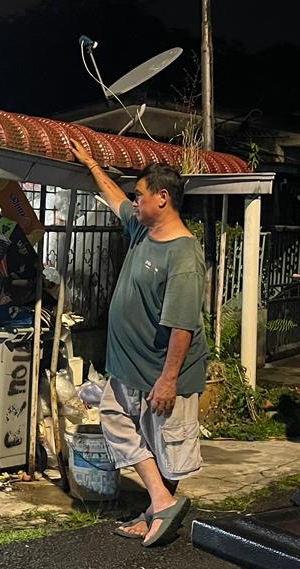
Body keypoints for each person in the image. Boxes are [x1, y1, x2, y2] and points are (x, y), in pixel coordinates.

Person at [71, 141, 208, 547]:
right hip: (129, 368)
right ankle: (162, 503)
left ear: (162, 198)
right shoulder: (140, 231)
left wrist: (168, 380)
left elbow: (182, 327)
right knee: (115, 419)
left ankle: (156, 512)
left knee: (168, 449)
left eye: (141, 195)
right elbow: (115, 197)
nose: (134, 202)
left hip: (163, 371)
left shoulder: (184, 255)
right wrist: (92, 164)